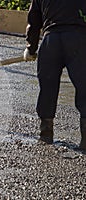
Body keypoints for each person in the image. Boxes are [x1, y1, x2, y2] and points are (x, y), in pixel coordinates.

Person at [24, 0, 86, 150]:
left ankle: (46, 134)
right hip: (77, 39)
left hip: (51, 39)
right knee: (84, 87)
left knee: (47, 88)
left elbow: (34, 20)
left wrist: (31, 48)